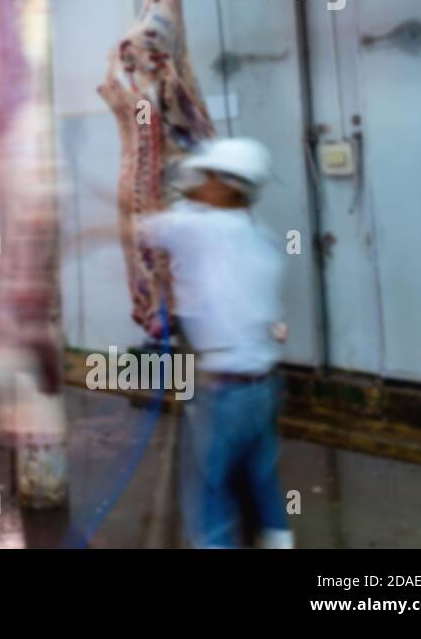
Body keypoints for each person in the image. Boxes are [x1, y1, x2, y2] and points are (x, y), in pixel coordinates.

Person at [138, 137, 294, 549]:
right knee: (262, 484)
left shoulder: (199, 228)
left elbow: (139, 228)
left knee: (209, 502)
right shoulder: (264, 238)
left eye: (207, 176)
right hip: (265, 385)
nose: (199, 182)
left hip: (225, 390)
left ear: (227, 185)